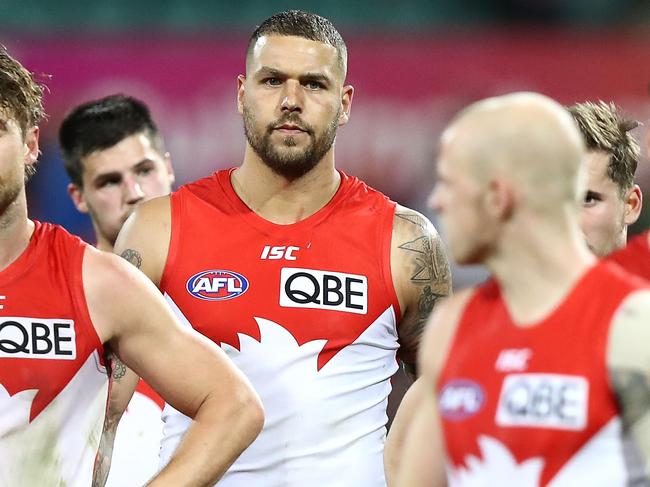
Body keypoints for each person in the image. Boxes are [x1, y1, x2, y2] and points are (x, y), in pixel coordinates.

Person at [115, 9, 451, 487]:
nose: (291, 101)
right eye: (272, 81)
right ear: (241, 94)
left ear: (346, 102)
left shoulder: (406, 242)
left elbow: (450, 400)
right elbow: (102, 409)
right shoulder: (156, 230)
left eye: (314, 84)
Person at [0, 47, 263, 486]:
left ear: (30, 145)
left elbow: (234, 404)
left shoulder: (95, 282)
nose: (133, 192)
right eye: (109, 180)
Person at [384, 100, 646, 484]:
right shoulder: (454, 325)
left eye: (449, 183)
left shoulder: (633, 323)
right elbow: (405, 466)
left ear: (499, 196)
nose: (436, 201)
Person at [58, 94, 175, 486]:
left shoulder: (222, 299)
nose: (135, 192)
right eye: (110, 181)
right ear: (78, 197)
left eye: (145, 170)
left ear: (169, 168)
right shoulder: (59, 309)